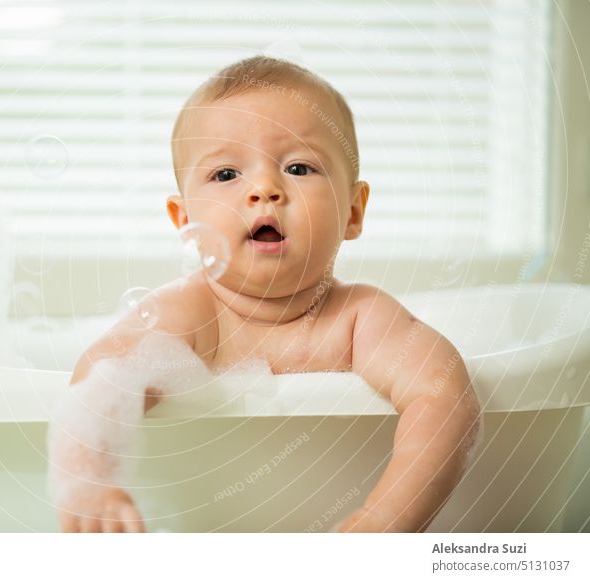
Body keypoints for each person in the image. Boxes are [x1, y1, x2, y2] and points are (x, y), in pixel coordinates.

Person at [48, 55, 482, 533]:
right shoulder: (190, 312)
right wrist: (91, 478)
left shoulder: (361, 317)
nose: (265, 189)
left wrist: (384, 520)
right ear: (183, 220)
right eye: (226, 175)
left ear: (354, 212)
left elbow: (445, 396)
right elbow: (103, 377)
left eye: (299, 167)